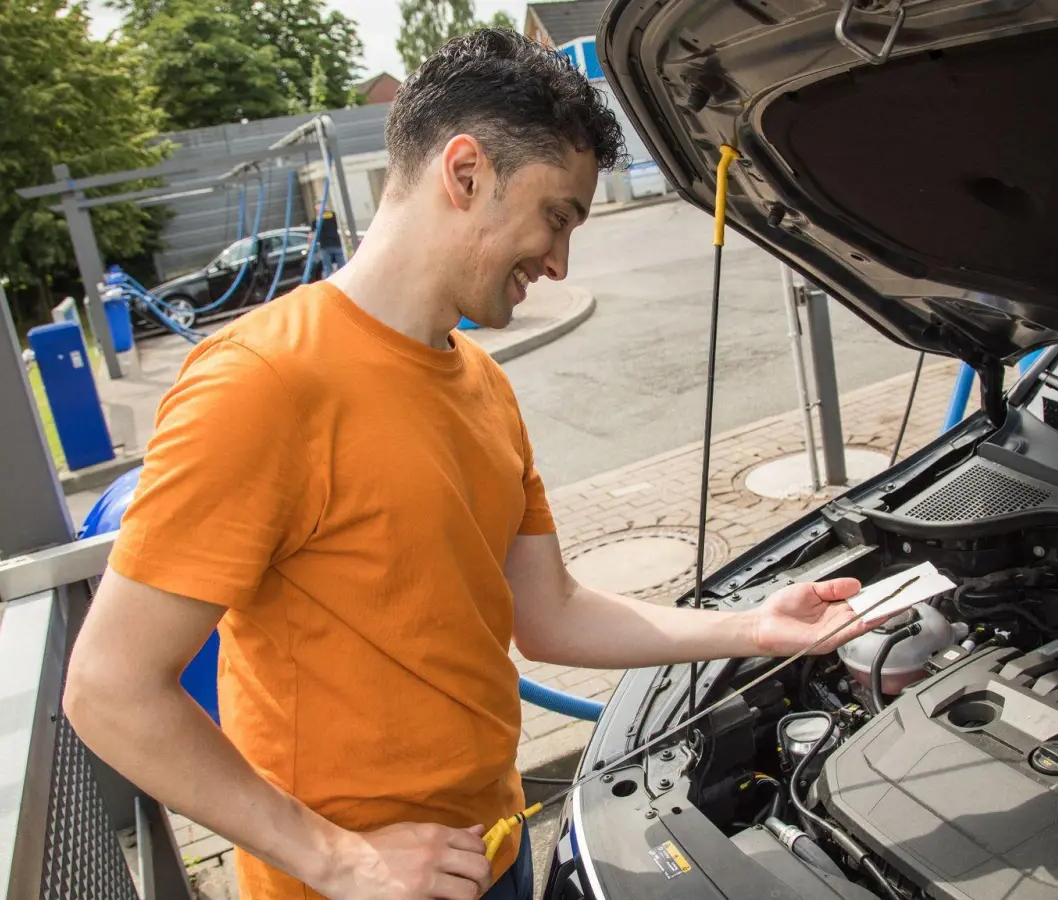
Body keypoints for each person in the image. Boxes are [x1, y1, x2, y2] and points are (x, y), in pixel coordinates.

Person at [63, 29, 873, 900]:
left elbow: (550, 614)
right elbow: (110, 690)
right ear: (464, 173)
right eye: (556, 216)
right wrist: (337, 860)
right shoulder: (259, 383)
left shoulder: (481, 379)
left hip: (494, 845)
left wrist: (755, 628)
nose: (560, 263)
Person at [314, 202, 348, 275]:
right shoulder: (330, 215)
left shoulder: (330, 215)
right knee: (339, 266)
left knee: (329, 268)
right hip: (329, 245)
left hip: (329, 246)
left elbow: (312, 234)